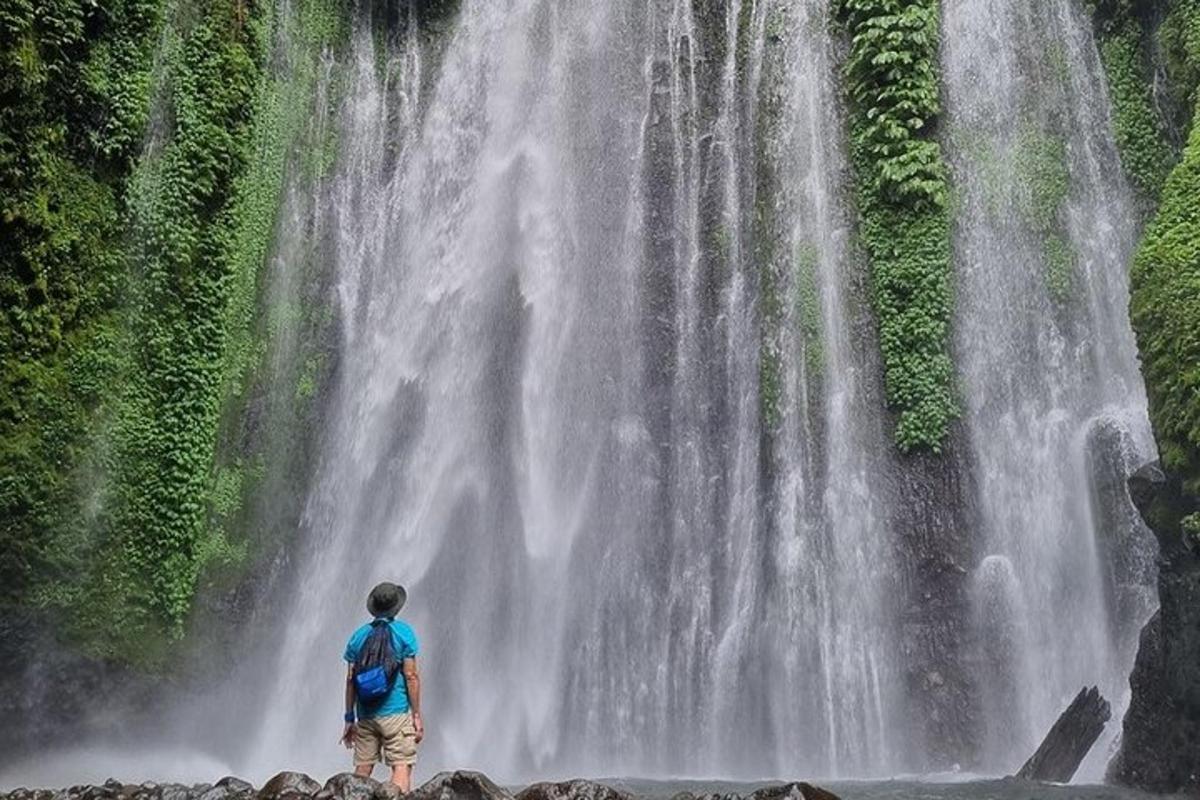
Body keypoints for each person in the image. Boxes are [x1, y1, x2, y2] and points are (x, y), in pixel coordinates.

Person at [340, 582, 424, 790]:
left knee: (362, 769)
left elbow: (350, 680)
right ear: (396, 607)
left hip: (366, 715)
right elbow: (411, 676)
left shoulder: (358, 637)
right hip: (396, 713)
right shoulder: (404, 633)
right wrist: (416, 714)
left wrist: (349, 719)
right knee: (401, 766)